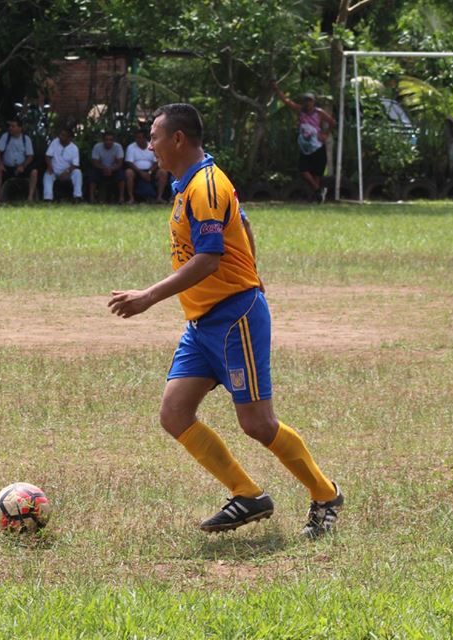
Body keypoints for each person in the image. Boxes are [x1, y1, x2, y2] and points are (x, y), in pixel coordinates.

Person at [108, 103, 343, 538]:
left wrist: (149, 296)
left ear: (178, 139)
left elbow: (209, 260)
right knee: (175, 414)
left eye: (155, 136)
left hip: (235, 316)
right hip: (202, 323)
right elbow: (245, 223)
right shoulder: (189, 184)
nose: (150, 145)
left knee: (257, 424)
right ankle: (248, 494)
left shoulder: (205, 186)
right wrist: (253, 266)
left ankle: (326, 493)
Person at [273, 82, 336, 203]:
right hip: (305, 147)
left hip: (317, 146)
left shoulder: (319, 113)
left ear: (313, 102)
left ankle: (316, 198)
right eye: (306, 100)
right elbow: (287, 101)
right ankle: (318, 190)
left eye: (310, 101)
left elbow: (332, 122)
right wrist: (277, 90)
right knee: (304, 170)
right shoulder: (300, 111)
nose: (307, 103)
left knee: (317, 173)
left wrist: (325, 134)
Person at [0, 117, 34, 204]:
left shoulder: (26, 139)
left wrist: (23, 166)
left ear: (20, 128)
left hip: (21, 167)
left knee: (34, 172)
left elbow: (30, 156)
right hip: (7, 167)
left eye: (13, 126)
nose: (10, 128)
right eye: (10, 126)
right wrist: (0, 164)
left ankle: (30, 198)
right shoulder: (5, 136)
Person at [125, 128, 169, 204]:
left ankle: (159, 197)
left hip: (151, 171)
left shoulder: (152, 146)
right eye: (137, 138)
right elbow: (129, 163)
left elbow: (157, 161)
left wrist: (149, 172)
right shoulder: (131, 147)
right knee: (128, 172)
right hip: (136, 171)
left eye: (141, 137)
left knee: (163, 172)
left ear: (145, 138)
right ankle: (131, 198)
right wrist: (141, 173)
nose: (139, 139)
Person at [40, 126, 82, 203]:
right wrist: (49, 166)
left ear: (69, 138)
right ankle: (48, 199)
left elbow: (75, 164)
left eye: (63, 135)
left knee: (77, 173)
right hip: (54, 170)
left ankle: (77, 197)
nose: (60, 136)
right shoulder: (55, 142)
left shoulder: (74, 148)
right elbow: (48, 156)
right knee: (47, 175)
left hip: (67, 172)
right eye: (60, 134)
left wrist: (67, 172)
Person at [89, 131, 125, 203]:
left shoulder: (118, 147)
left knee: (121, 175)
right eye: (106, 140)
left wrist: (111, 169)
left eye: (110, 140)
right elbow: (95, 162)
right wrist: (104, 168)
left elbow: (120, 163)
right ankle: (92, 198)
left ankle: (121, 198)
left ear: (113, 140)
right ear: (103, 140)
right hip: (100, 169)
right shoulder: (97, 147)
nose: (108, 142)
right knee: (93, 175)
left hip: (114, 169)